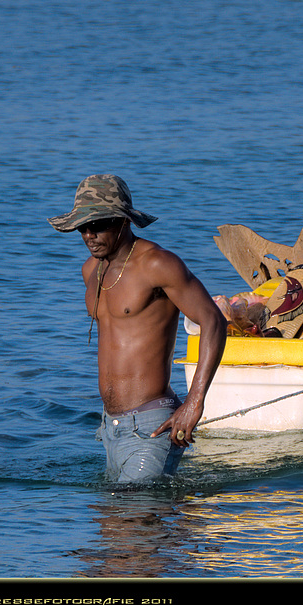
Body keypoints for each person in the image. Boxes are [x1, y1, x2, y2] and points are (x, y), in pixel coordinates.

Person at [48, 174, 226, 482]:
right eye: (82, 226)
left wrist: (194, 402)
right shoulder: (91, 271)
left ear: (123, 220)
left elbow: (213, 320)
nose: (89, 234)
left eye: (98, 224)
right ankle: (184, 525)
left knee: (133, 515)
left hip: (151, 423)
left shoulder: (156, 264)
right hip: (109, 428)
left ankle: (188, 524)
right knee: (112, 527)